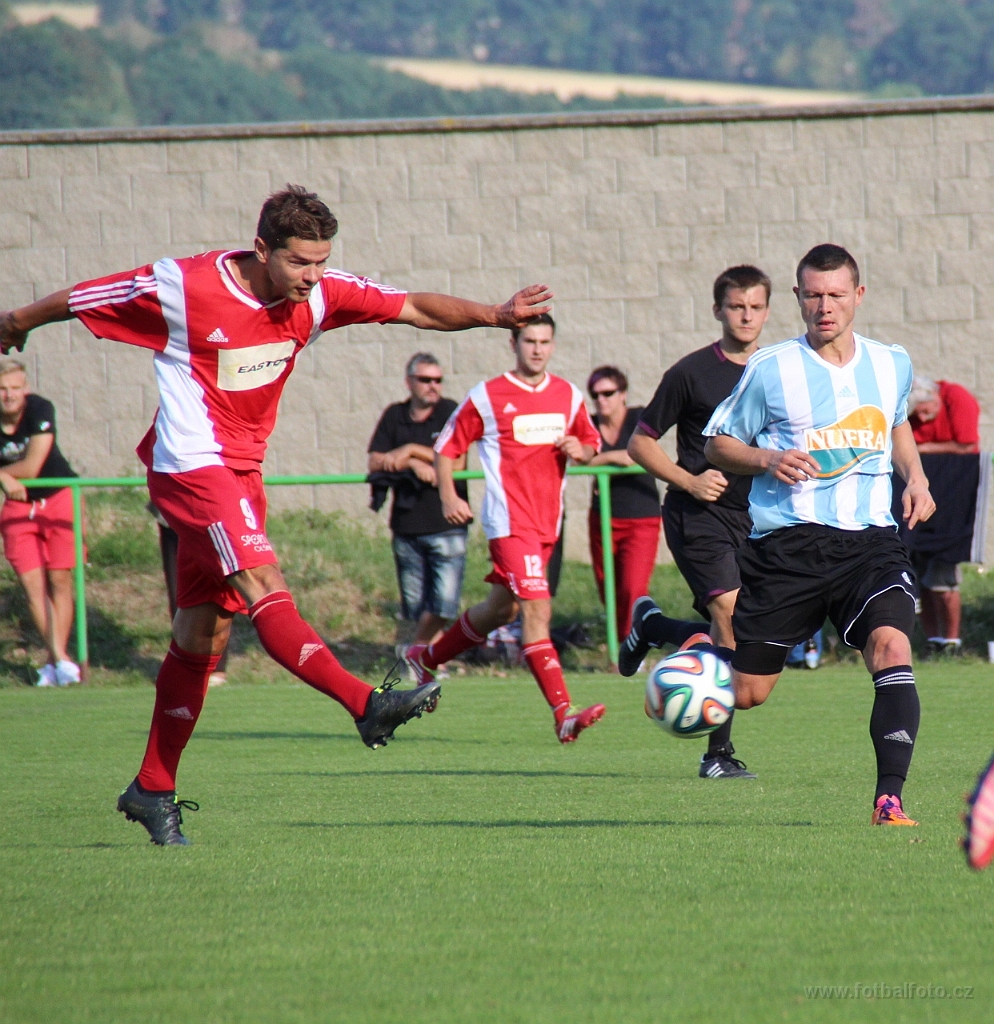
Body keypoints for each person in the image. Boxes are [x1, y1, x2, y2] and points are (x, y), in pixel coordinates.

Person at [0, 183, 553, 845]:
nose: (312, 276)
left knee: (202, 634)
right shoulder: (185, 286)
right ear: (262, 249)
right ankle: (366, 705)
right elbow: (88, 296)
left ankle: (151, 786)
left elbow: (413, 307)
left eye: (322, 262)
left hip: (242, 474)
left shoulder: (320, 294)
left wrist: (495, 315)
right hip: (192, 465)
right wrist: (18, 322)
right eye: (299, 262)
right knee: (264, 582)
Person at [702, 243, 935, 826]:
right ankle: (673, 637)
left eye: (835, 294)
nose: (824, 306)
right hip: (789, 549)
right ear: (798, 298)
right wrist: (766, 458)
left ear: (858, 296)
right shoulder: (771, 368)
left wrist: (916, 476)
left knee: (892, 647)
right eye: (813, 295)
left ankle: (889, 800)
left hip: (870, 543)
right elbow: (717, 444)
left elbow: (895, 422)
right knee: (749, 692)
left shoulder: (891, 363)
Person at [406, 314, 607, 743]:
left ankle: (426, 658)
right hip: (510, 522)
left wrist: (582, 450)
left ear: (553, 345)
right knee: (537, 612)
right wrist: (448, 497)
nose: (537, 349)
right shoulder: (488, 395)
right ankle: (563, 714)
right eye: (529, 341)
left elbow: (591, 443)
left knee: (502, 610)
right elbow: (446, 448)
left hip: (547, 523)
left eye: (544, 342)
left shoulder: (568, 395)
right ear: (513, 344)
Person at [623, 264, 773, 779]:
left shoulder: (777, 370)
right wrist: (688, 480)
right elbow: (640, 442)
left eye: (755, 307)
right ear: (717, 310)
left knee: (741, 631)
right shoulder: (691, 373)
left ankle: (655, 626)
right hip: (698, 515)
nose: (746, 316)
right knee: (729, 615)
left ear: (768, 311)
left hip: (755, 521)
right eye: (736, 306)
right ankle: (717, 756)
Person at [368, 352, 469, 658]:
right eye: (425, 380)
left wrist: (411, 451)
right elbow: (375, 460)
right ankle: (429, 662)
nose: (433, 386)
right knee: (414, 606)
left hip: (447, 523)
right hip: (406, 524)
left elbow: (458, 461)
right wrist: (413, 463)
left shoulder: (450, 411)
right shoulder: (394, 415)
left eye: (438, 380)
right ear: (409, 382)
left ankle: (419, 654)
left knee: (444, 604)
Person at [0, 358, 81, 687]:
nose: (9, 395)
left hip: (58, 498)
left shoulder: (39, 408)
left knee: (60, 579)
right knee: (32, 586)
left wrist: (2, 474)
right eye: (2, 389)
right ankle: (60, 660)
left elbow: (32, 467)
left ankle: (54, 663)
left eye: (15, 388)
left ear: (26, 389)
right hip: (19, 507)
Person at [585, 365, 660, 667]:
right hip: (602, 517)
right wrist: (604, 460)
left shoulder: (638, 417)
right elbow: (577, 458)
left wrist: (602, 459)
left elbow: (636, 453)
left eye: (608, 393)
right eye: (595, 395)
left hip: (640, 517)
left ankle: (633, 650)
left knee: (632, 587)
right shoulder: (589, 424)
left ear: (623, 394)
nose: (601, 400)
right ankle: (622, 647)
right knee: (609, 589)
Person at [907, 375, 981, 655]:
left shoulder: (956, 398)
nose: (922, 419)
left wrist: (922, 450)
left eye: (926, 411)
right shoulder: (913, 414)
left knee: (944, 575)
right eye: (917, 414)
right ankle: (933, 639)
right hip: (920, 492)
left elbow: (966, 445)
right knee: (920, 578)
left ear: (936, 398)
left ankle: (952, 641)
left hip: (953, 493)